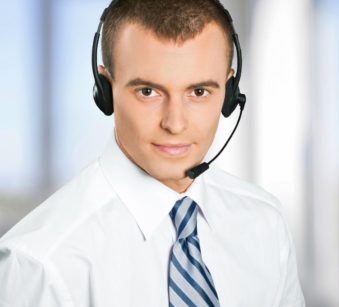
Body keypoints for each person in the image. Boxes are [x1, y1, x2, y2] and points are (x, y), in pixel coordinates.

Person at [0, 0, 305, 306]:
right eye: (148, 92)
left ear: (228, 92)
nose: (174, 123)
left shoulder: (266, 222)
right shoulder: (40, 263)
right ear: (104, 91)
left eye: (199, 92)